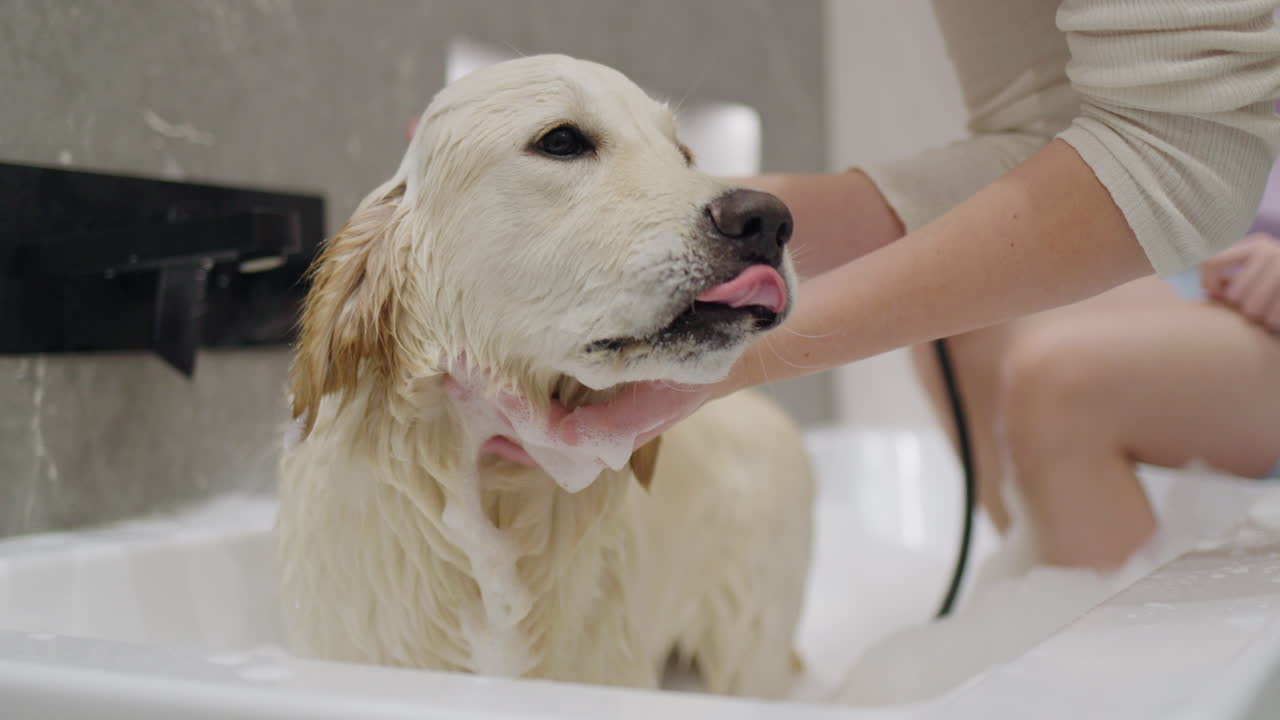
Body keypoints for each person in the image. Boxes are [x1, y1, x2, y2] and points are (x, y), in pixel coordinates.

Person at [462, 1, 1280, 525]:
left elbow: (1182, 150)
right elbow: (1038, 137)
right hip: (1210, 258)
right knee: (965, 336)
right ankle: (1038, 616)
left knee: (1062, 379)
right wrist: (693, 222)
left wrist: (727, 363)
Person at [910, 229, 1280, 569]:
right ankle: (1045, 588)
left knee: (1063, 383)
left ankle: (1116, 631)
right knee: (954, 311)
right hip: (1218, 259)